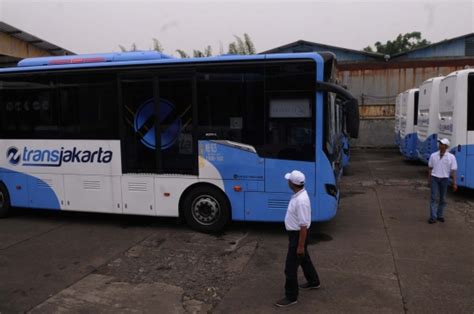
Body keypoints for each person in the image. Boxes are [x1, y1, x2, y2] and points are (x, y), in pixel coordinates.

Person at [275, 170, 320, 307]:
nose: (287, 181)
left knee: (290, 268)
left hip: (298, 236)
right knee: (304, 259)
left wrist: (300, 245)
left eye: (289, 180)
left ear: (292, 183)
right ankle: (314, 282)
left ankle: (291, 296)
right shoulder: (298, 195)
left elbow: (303, 226)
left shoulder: (301, 201)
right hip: (296, 235)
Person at [427, 138, 458, 224]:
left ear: (446, 146)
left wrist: (454, 183)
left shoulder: (451, 157)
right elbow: (430, 168)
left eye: (442, 144)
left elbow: (453, 171)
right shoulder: (433, 155)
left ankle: (440, 215)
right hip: (434, 178)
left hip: (444, 179)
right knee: (433, 197)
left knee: (442, 198)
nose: (440, 145)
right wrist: (429, 180)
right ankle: (433, 217)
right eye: (439, 143)